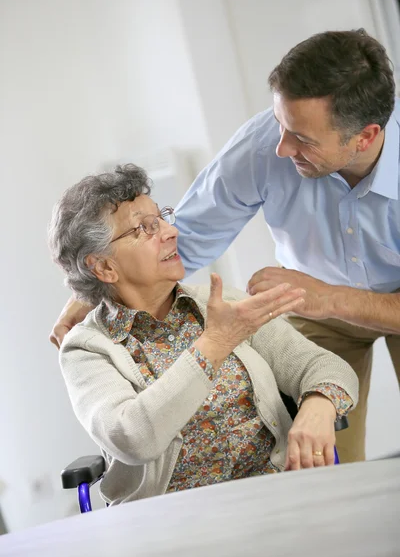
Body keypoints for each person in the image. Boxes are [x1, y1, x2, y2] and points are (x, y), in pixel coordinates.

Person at [50, 29, 399, 464]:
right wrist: (91, 289)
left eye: (303, 140)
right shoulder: (264, 144)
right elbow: (188, 231)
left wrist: (326, 299)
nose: (282, 147)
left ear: (364, 137)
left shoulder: (226, 309)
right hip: (312, 302)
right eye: (281, 124)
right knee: (325, 466)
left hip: (329, 294)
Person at [48, 164, 357, 505]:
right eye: (145, 228)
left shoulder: (225, 305)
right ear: (104, 266)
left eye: (162, 218)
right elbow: (132, 438)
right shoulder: (85, 349)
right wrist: (215, 344)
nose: (170, 232)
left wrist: (319, 405)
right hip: (167, 522)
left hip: (274, 496)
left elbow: (327, 367)